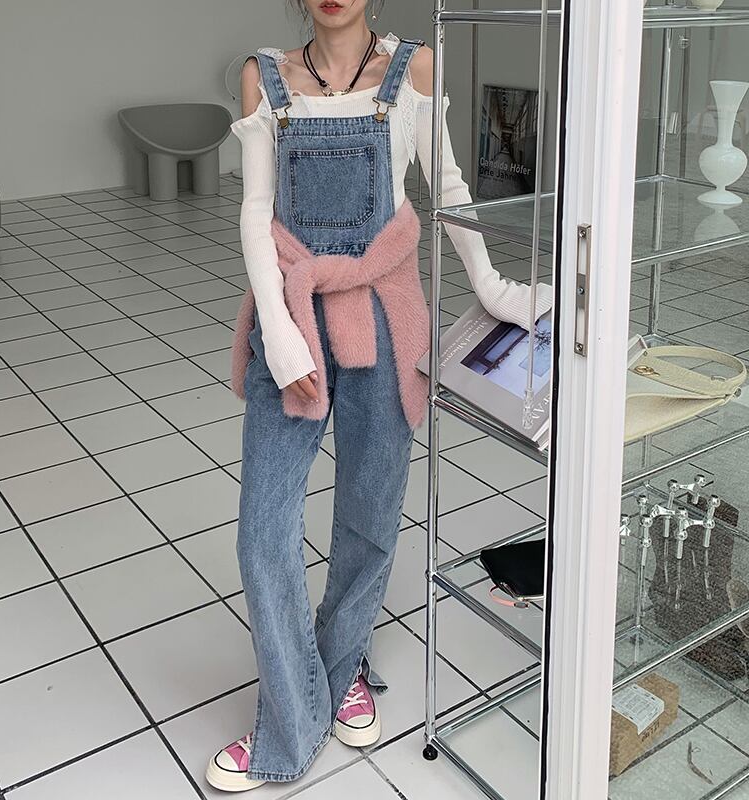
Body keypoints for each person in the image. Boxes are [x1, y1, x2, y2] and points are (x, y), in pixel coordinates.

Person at [207, 0, 551, 792]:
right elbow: (255, 213)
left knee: (368, 519)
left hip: (387, 318)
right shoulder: (264, 77)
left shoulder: (413, 67)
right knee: (263, 533)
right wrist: (280, 335)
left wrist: (494, 289)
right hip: (293, 318)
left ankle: (342, 664)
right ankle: (293, 720)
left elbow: (448, 182)